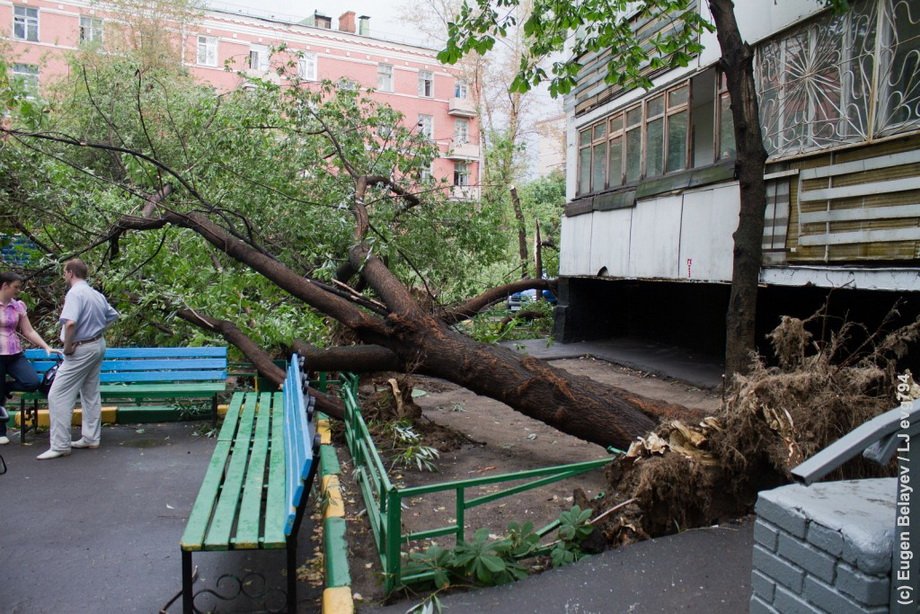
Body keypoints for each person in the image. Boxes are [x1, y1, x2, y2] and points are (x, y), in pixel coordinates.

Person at [37, 259, 119, 460]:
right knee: (90, 392)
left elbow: (70, 323)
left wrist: (67, 346)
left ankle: (60, 445)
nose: (64, 276)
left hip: (80, 349)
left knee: (57, 395)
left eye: (65, 272)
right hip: (97, 345)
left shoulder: (74, 294)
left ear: (71, 273)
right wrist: (96, 330)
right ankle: (91, 437)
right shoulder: (95, 294)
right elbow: (112, 315)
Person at [0, 272, 55, 445]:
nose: (18, 290)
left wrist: (46, 346)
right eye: (16, 287)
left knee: (31, 382)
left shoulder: (18, 306)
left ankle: (5, 387)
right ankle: (1, 432)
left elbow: (28, 331)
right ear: (4, 286)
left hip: (14, 353)